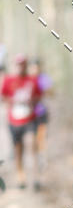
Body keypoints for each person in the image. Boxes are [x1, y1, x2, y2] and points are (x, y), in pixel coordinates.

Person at [1, 54, 41, 189]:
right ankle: (21, 177)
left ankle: (36, 178)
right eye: (18, 64)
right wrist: (13, 101)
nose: (20, 67)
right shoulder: (8, 80)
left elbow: (39, 96)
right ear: (15, 65)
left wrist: (32, 102)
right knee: (18, 150)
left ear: (26, 65)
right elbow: (3, 97)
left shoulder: (32, 80)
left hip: (30, 120)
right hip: (14, 121)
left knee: (32, 145)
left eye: (23, 64)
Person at [30, 59, 52, 159]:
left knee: (42, 135)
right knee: (33, 137)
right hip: (30, 113)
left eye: (36, 67)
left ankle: (43, 157)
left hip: (42, 111)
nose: (35, 70)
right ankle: (35, 157)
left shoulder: (44, 78)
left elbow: (50, 93)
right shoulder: (28, 79)